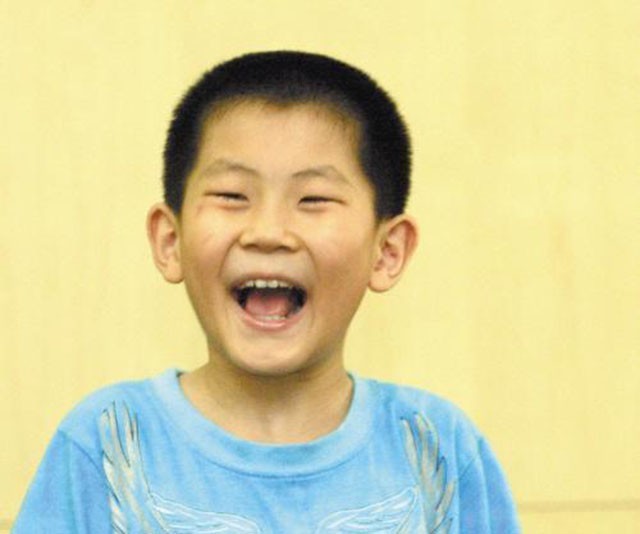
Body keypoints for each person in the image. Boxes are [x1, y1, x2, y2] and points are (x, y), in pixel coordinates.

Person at [13, 51, 520, 533]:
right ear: (170, 241)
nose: (269, 231)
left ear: (387, 251)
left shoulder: (438, 445)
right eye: (232, 196)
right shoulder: (105, 440)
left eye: (314, 199)